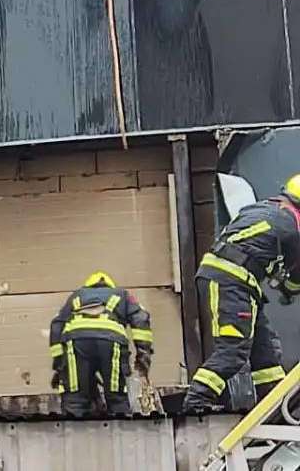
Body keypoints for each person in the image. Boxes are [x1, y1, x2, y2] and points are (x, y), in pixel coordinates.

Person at [182, 175, 300, 411]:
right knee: (233, 350)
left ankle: (274, 407)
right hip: (233, 282)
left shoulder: (264, 208)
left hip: (235, 281)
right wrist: (289, 289)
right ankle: (196, 404)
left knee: (265, 354)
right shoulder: (292, 228)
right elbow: (295, 278)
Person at [48, 271, 153, 416]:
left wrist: (60, 365)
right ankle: (121, 431)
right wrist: (143, 354)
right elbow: (141, 319)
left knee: (75, 398)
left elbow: (56, 326)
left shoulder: (76, 296)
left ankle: (74, 432)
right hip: (111, 342)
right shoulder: (122, 294)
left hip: (77, 342)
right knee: (116, 396)